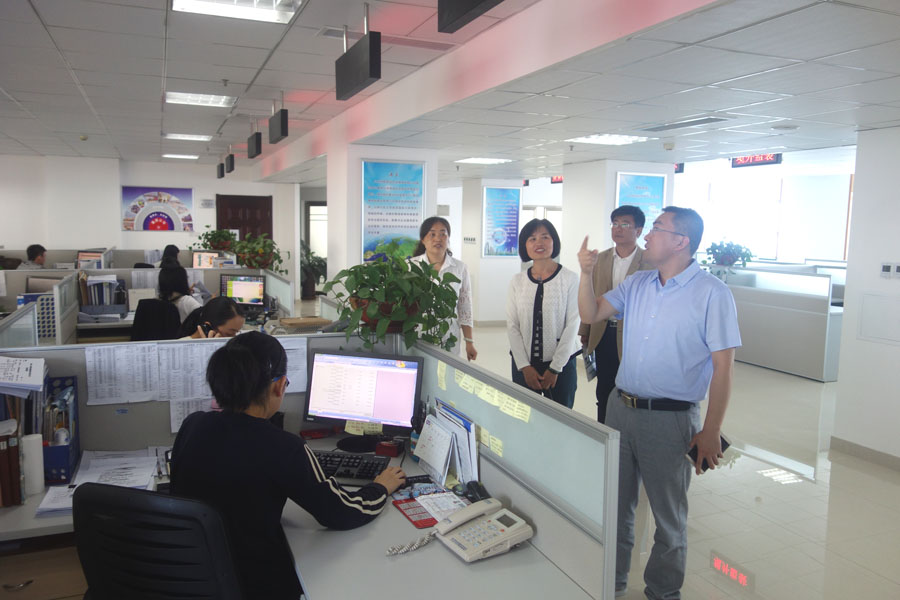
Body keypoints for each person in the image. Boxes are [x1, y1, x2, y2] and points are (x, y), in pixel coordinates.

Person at [577, 207, 741, 600]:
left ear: (681, 241)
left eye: (656, 228)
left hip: (670, 420)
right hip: (620, 410)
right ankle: (613, 583)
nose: (647, 236)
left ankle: (663, 592)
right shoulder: (638, 284)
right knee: (616, 507)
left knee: (668, 518)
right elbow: (591, 312)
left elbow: (724, 368)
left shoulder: (712, 294)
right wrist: (584, 274)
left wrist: (711, 431)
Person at [171, 332, 405, 599]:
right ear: (279, 386)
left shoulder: (193, 425)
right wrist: (380, 487)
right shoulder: (283, 447)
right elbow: (340, 513)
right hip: (254, 584)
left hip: (189, 577)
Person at [578, 205, 651, 423]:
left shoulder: (649, 261)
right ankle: (604, 430)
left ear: (639, 230)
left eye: (625, 224)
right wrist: (585, 330)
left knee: (631, 389)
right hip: (603, 332)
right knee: (604, 388)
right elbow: (591, 293)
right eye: (615, 224)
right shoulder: (599, 259)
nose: (618, 228)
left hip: (633, 336)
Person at [507, 219, 580, 408]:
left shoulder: (570, 279)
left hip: (561, 366)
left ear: (554, 241)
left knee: (560, 417)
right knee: (524, 415)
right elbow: (512, 325)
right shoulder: (517, 281)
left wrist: (555, 368)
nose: (539, 243)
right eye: (532, 239)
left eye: (545, 237)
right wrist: (524, 366)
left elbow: (573, 324)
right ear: (525, 245)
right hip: (524, 365)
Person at [409, 216, 477, 360]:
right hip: (418, 336)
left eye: (443, 234)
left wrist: (469, 342)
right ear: (423, 239)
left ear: (448, 238)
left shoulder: (460, 268)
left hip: (448, 337)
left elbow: (465, 307)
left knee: (447, 372)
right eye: (432, 234)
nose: (438, 239)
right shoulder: (411, 266)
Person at [178, 296, 245, 339]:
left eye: (236, 333)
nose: (234, 339)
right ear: (207, 328)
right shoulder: (179, 348)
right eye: (229, 334)